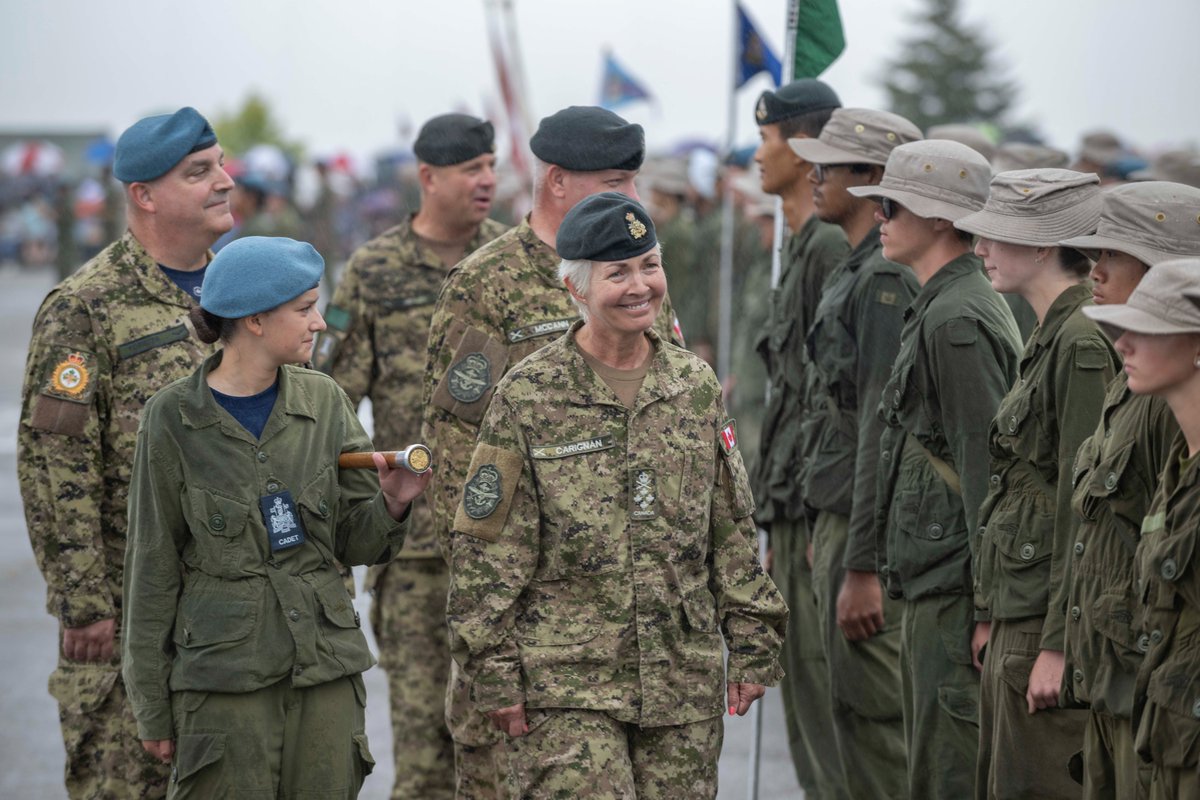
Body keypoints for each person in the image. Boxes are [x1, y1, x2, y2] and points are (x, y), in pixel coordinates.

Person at [446, 192, 787, 799]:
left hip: (681, 680)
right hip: (564, 683)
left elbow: (730, 525)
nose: (640, 287)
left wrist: (752, 641)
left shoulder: (693, 385)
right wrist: (493, 672)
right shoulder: (527, 396)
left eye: (650, 266)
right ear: (576, 288)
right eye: (618, 273)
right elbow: (487, 549)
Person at [420, 105, 683, 799]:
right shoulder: (489, 285)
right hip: (540, 626)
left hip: (641, 625)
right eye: (616, 181)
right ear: (558, 182)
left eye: (634, 182)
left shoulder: (634, 269)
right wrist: (491, 631)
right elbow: (458, 469)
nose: (633, 199)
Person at [121, 236, 430, 798]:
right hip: (223, 682)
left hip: (325, 673)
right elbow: (152, 566)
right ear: (256, 320)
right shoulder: (173, 418)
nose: (319, 322)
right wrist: (151, 707)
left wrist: (393, 502)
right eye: (305, 308)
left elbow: (354, 542)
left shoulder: (324, 401)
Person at [17, 106, 233, 799]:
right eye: (199, 173)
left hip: (231, 613)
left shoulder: (243, 290)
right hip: (130, 613)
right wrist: (84, 602)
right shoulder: (86, 306)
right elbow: (55, 462)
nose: (224, 182)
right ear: (143, 194)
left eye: (221, 165)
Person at [312, 112, 507, 800]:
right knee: (426, 758)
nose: (488, 180)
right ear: (428, 177)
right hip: (418, 552)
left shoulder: (517, 264)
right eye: (472, 169)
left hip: (511, 546)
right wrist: (350, 529)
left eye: (492, 166)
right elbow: (331, 407)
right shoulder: (374, 270)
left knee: (513, 754)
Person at [852, 140, 1023, 798]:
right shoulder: (942, 304)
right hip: (937, 578)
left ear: (942, 220)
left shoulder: (956, 320)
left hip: (955, 589)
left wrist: (988, 607)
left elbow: (986, 471)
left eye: (893, 206)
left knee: (947, 774)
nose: (881, 219)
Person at [956, 169, 1120, 800]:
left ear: (1046, 245)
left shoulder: (1080, 341)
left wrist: (1058, 644)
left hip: (1045, 621)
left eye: (997, 235)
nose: (980, 249)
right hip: (1018, 605)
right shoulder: (1048, 333)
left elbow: (1084, 506)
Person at [788, 107, 922, 799]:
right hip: (840, 511)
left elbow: (880, 425)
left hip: (867, 523)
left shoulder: (882, 282)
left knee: (875, 720)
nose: (814, 176)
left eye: (830, 166)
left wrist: (862, 562)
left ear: (872, 179)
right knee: (847, 708)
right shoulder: (858, 268)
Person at [1056, 182, 1200, 799]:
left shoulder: (1170, 412)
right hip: (1131, 688)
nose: (1096, 269)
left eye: (1114, 253)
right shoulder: (1137, 392)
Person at [750, 77, 851, 800]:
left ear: (804, 147)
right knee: (806, 706)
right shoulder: (801, 245)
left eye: (767, 138)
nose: (758, 153)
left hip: (811, 507)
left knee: (826, 706)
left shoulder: (823, 252)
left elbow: (833, 395)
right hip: (788, 501)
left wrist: (821, 507)